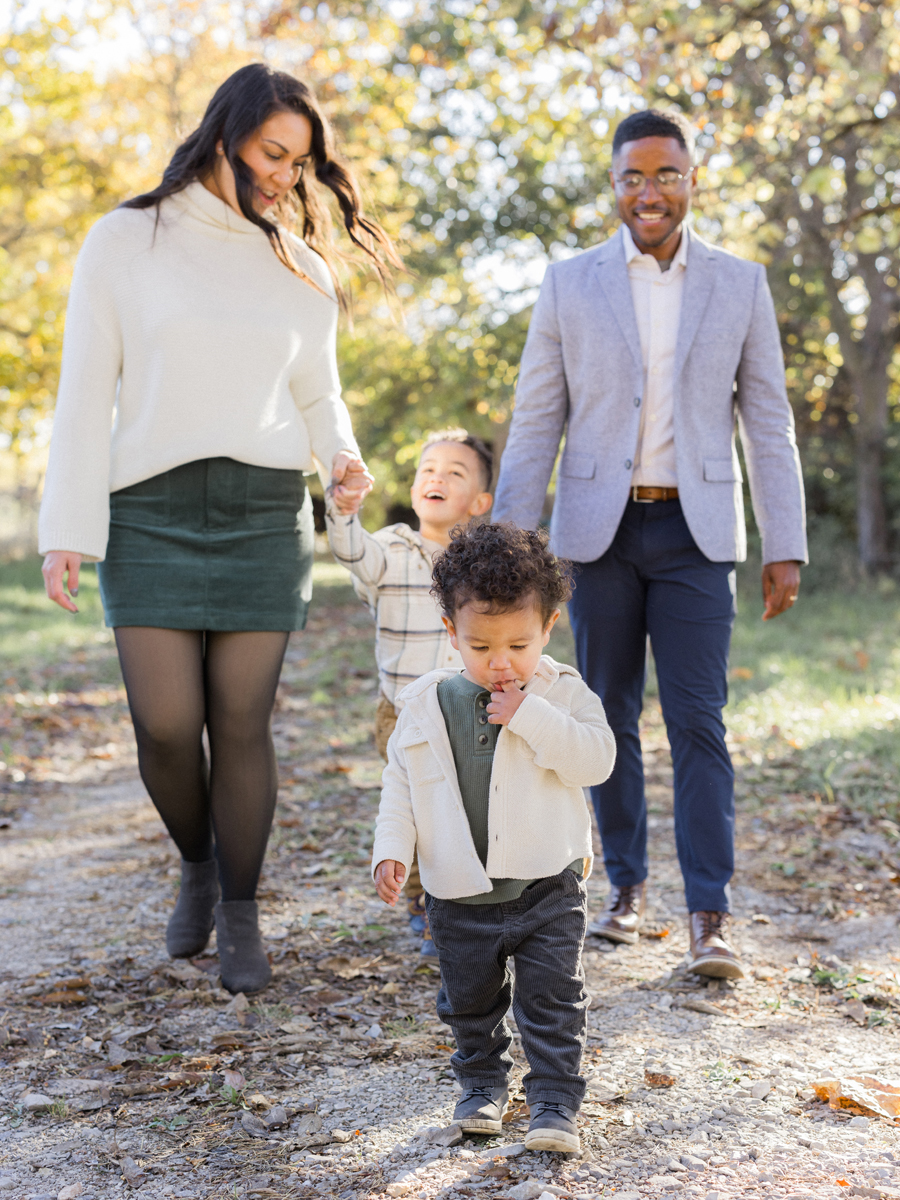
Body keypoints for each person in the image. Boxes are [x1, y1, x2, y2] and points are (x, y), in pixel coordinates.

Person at [38, 63, 400, 994]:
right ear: (223, 134)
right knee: (165, 725)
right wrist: (65, 527)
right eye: (273, 153)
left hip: (259, 514)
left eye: (300, 161)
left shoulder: (299, 265)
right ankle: (197, 860)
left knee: (240, 723)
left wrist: (342, 458)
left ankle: (239, 909)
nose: (285, 176)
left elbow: (319, 391)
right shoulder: (126, 241)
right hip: (149, 511)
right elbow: (86, 394)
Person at [492, 108, 807, 980]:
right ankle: (627, 889)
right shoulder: (570, 283)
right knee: (610, 717)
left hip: (699, 535)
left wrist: (786, 540)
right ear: (615, 185)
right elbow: (536, 419)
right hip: (596, 538)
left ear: (692, 180)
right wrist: (517, 549)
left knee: (701, 722)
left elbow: (768, 420)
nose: (650, 192)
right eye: (633, 176)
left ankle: (710, 912)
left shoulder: (740, 284)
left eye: (666, 174)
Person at [372, 523, 616, 1154]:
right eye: (480, 646)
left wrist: (531, 714)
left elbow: (596, 762)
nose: (500, 662)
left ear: (550, 627)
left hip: (547, 889)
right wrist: (393, 850)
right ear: (451, 633)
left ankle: (556, 1100)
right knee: (468, 1005)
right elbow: (401, 781)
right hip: (458, 896)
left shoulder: (562, 693)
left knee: (553, 1001)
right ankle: (480, 1085)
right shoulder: (426, 701)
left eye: (518, 644)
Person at [326, 428, 493, 954]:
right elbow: (353, 552)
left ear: (480, 502)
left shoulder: (487, 564)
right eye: (428, 470)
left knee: (470, 806)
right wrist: (344, 511)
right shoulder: (391, 550)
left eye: (454, 472)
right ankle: (425, 906)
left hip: (472, 711)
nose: (436, 477)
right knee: (417, 809)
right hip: (403, 713)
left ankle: (472, 896)